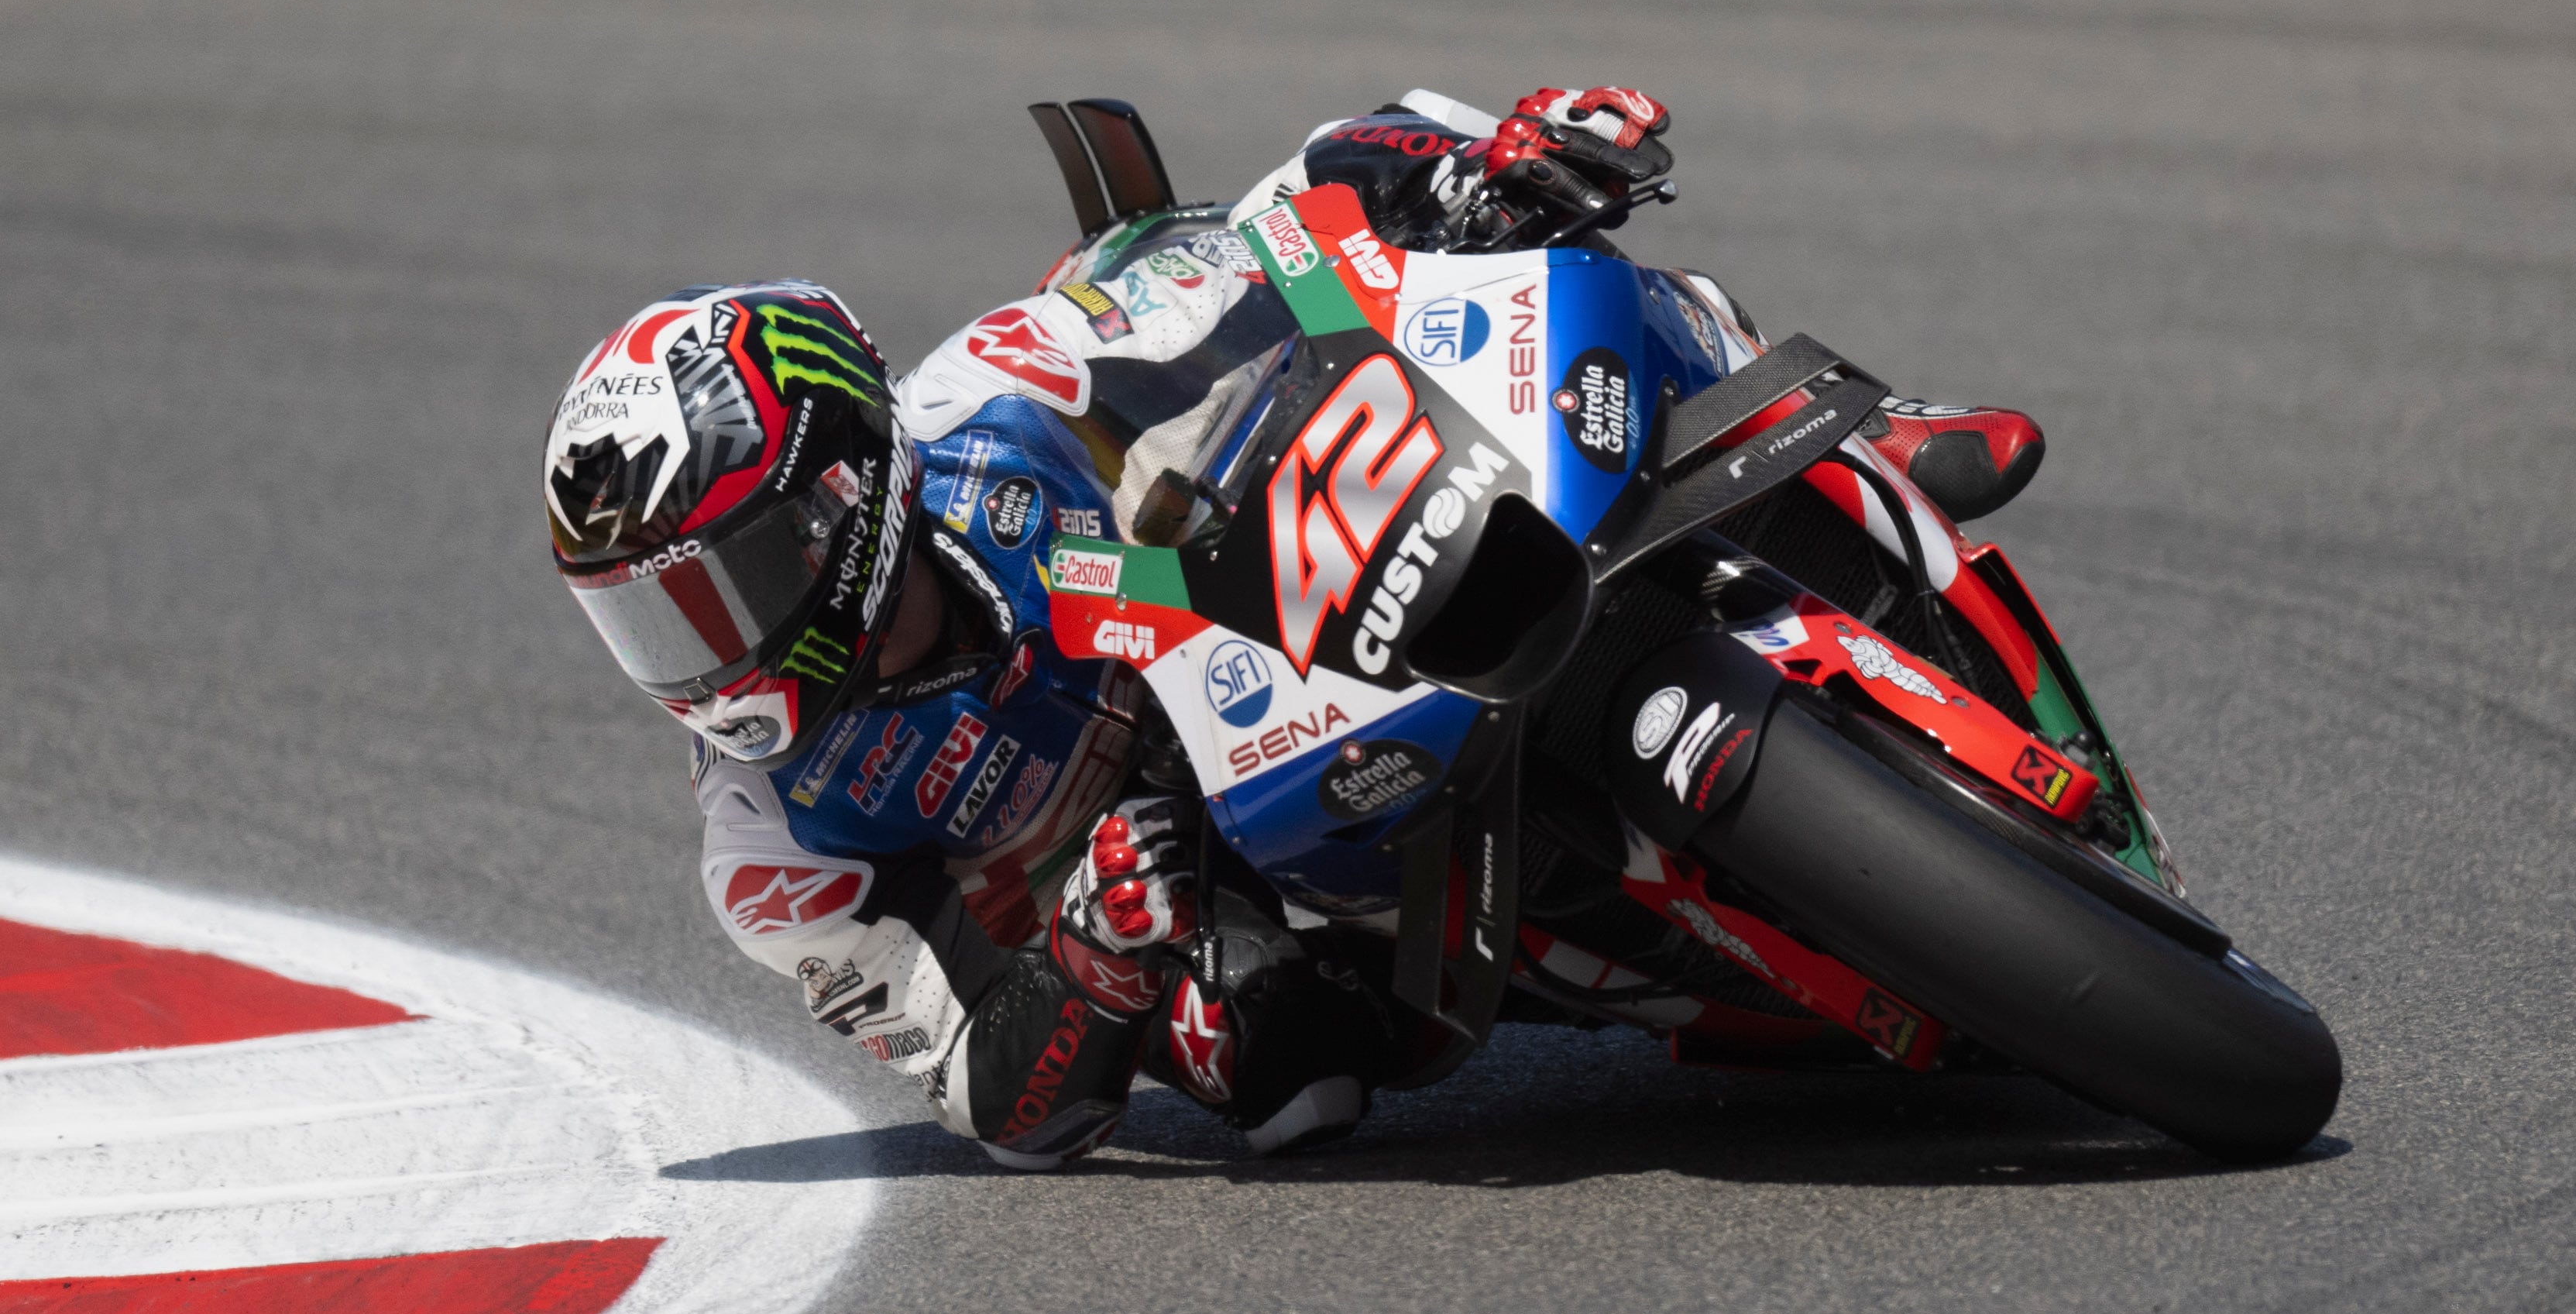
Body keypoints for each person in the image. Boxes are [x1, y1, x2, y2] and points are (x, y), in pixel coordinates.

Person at [541, 86, 2045, 1169]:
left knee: (1495, 241)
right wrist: (1089, 967)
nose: (703, 661)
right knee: (1267, 1068)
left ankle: (1854, 425)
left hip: (1290, 623)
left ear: (841, 495)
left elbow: (1230, 248)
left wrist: (1453, 174)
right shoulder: (771, 845)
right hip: (1221, 879)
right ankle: (1653, 958)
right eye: (647, 624)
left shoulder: (983, 402)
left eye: (710, 592)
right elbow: (995, 1098)